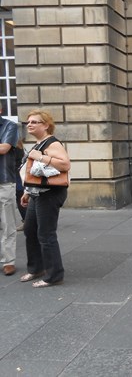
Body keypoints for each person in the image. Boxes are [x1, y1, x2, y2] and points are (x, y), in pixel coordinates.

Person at [19, 110, 70, 287]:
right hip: (37, 192)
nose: (30, 125)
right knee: (30, 230)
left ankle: (54, 275)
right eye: (28, 122)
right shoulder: (38, 143)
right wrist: (27, 191)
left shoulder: (52, 143)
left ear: (46, 125)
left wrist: (40, 156)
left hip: (50, 193)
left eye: (34, 122)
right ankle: (36, 268)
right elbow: (34, 172)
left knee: (46, 234)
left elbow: (65, 164)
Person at [0, 106, 19, 276]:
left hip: (4, 181)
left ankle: (8, 261)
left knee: (7, 223)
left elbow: (4, 148)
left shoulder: (9, 126)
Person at [15, 137, 26, 230]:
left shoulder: (14, 146)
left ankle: (26, 221)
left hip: (15, 175)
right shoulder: (19, 145)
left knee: (20, 198)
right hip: (18, 174)